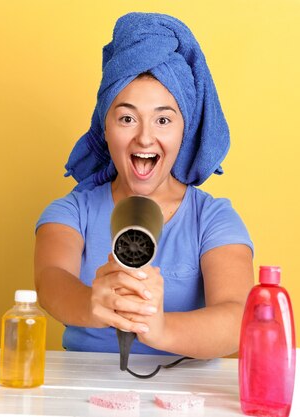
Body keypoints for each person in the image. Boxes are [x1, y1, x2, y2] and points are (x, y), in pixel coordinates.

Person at [34, 12, 253, 359]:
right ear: (104, 129)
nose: (145, 137)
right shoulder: (71, 211)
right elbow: (50, 280)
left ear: (185, 130)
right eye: (127, 118)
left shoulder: (213, 219)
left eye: (163, 119)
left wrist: (160, 328)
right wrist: (94, 304)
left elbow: (239, 316)